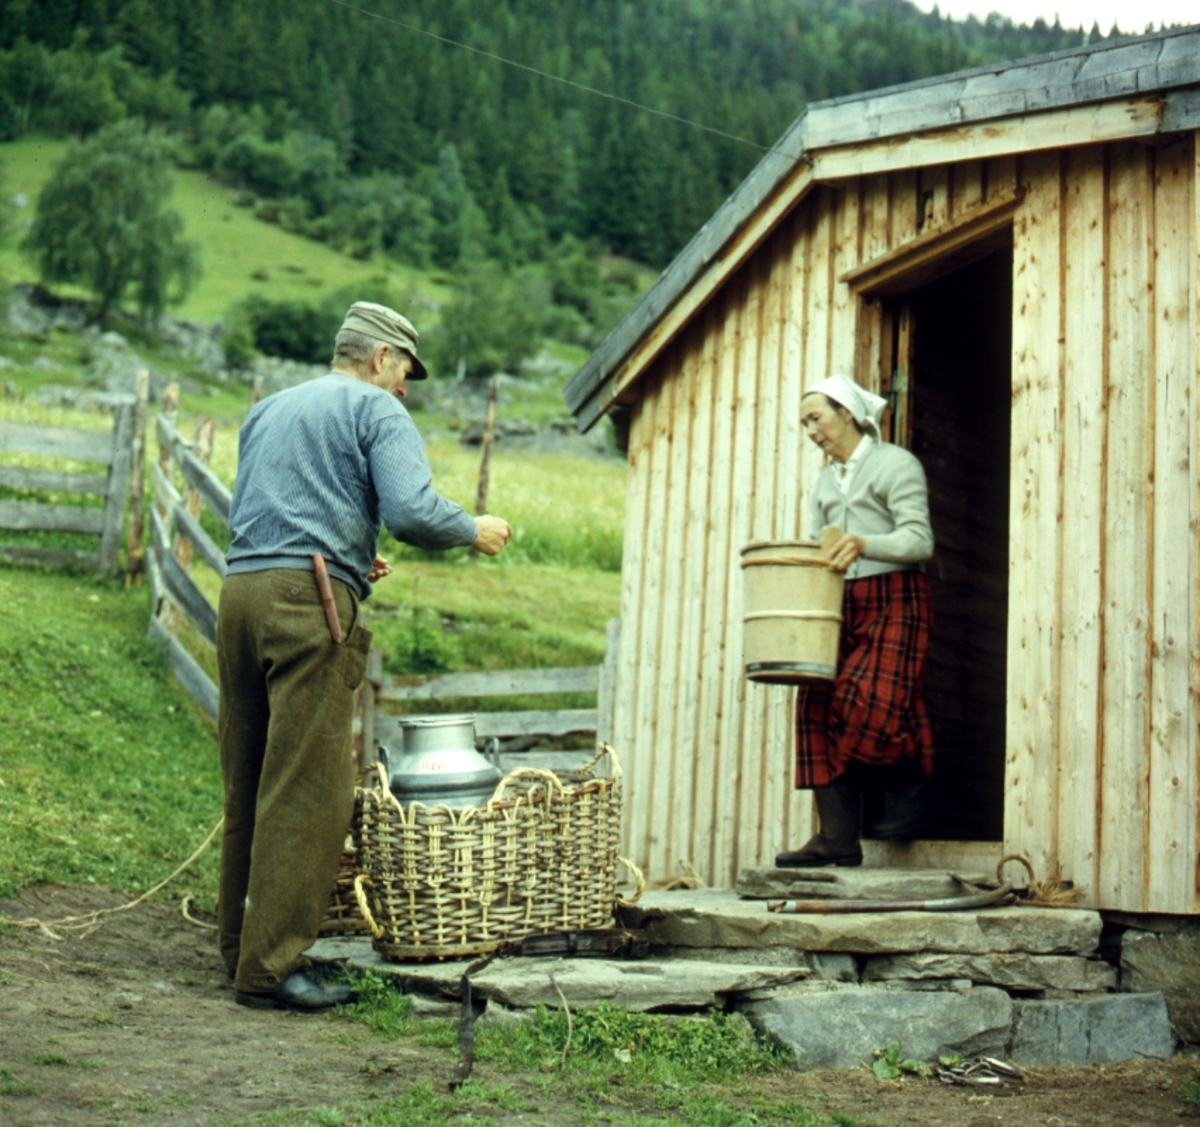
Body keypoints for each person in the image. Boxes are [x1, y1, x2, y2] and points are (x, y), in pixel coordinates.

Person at [216, 301, 513, 1010]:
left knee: (249, 778)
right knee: (307, 788)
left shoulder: (272, 409)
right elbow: (410, 509)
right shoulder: (380, 413)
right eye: (406, 370)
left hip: (240, 595)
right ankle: (272, 967)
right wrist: (473, 528)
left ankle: (237, 951)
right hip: (305, 608)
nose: (407, 387)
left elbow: (271, 506)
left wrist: (349, 552)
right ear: (381, 358)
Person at [776, 373, 934, 869]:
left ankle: (913, 788)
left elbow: (919, 541)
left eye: (816, 418)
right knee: (815, 707)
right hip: (839, 604)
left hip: (896, 595)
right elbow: (815, 545)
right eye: (804, 423)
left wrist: (866, 543)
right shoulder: (825, 481)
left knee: (869, 702)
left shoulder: (895, 465)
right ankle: (837, 837)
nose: (811, 431)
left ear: (847, 413)